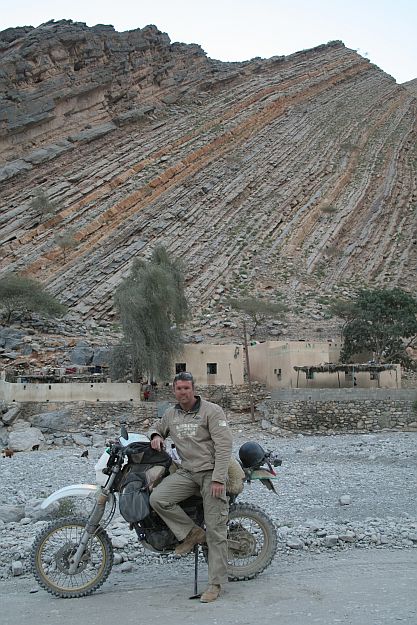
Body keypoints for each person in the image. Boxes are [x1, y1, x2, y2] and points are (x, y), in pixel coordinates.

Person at [149, 371, 233, 603]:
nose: (183, 392)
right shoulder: (171, 413)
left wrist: (218, 478)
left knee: (215, 530)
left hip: (210, 473)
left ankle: (215, 584)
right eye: (179, 389)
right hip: (187, 473)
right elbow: (157, 426)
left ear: (194, 389)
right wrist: (156, 435)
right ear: (174, 391)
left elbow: (224, 445)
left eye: (187, 388)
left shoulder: (211, 411)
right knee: (157, 498)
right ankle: (192, 533)